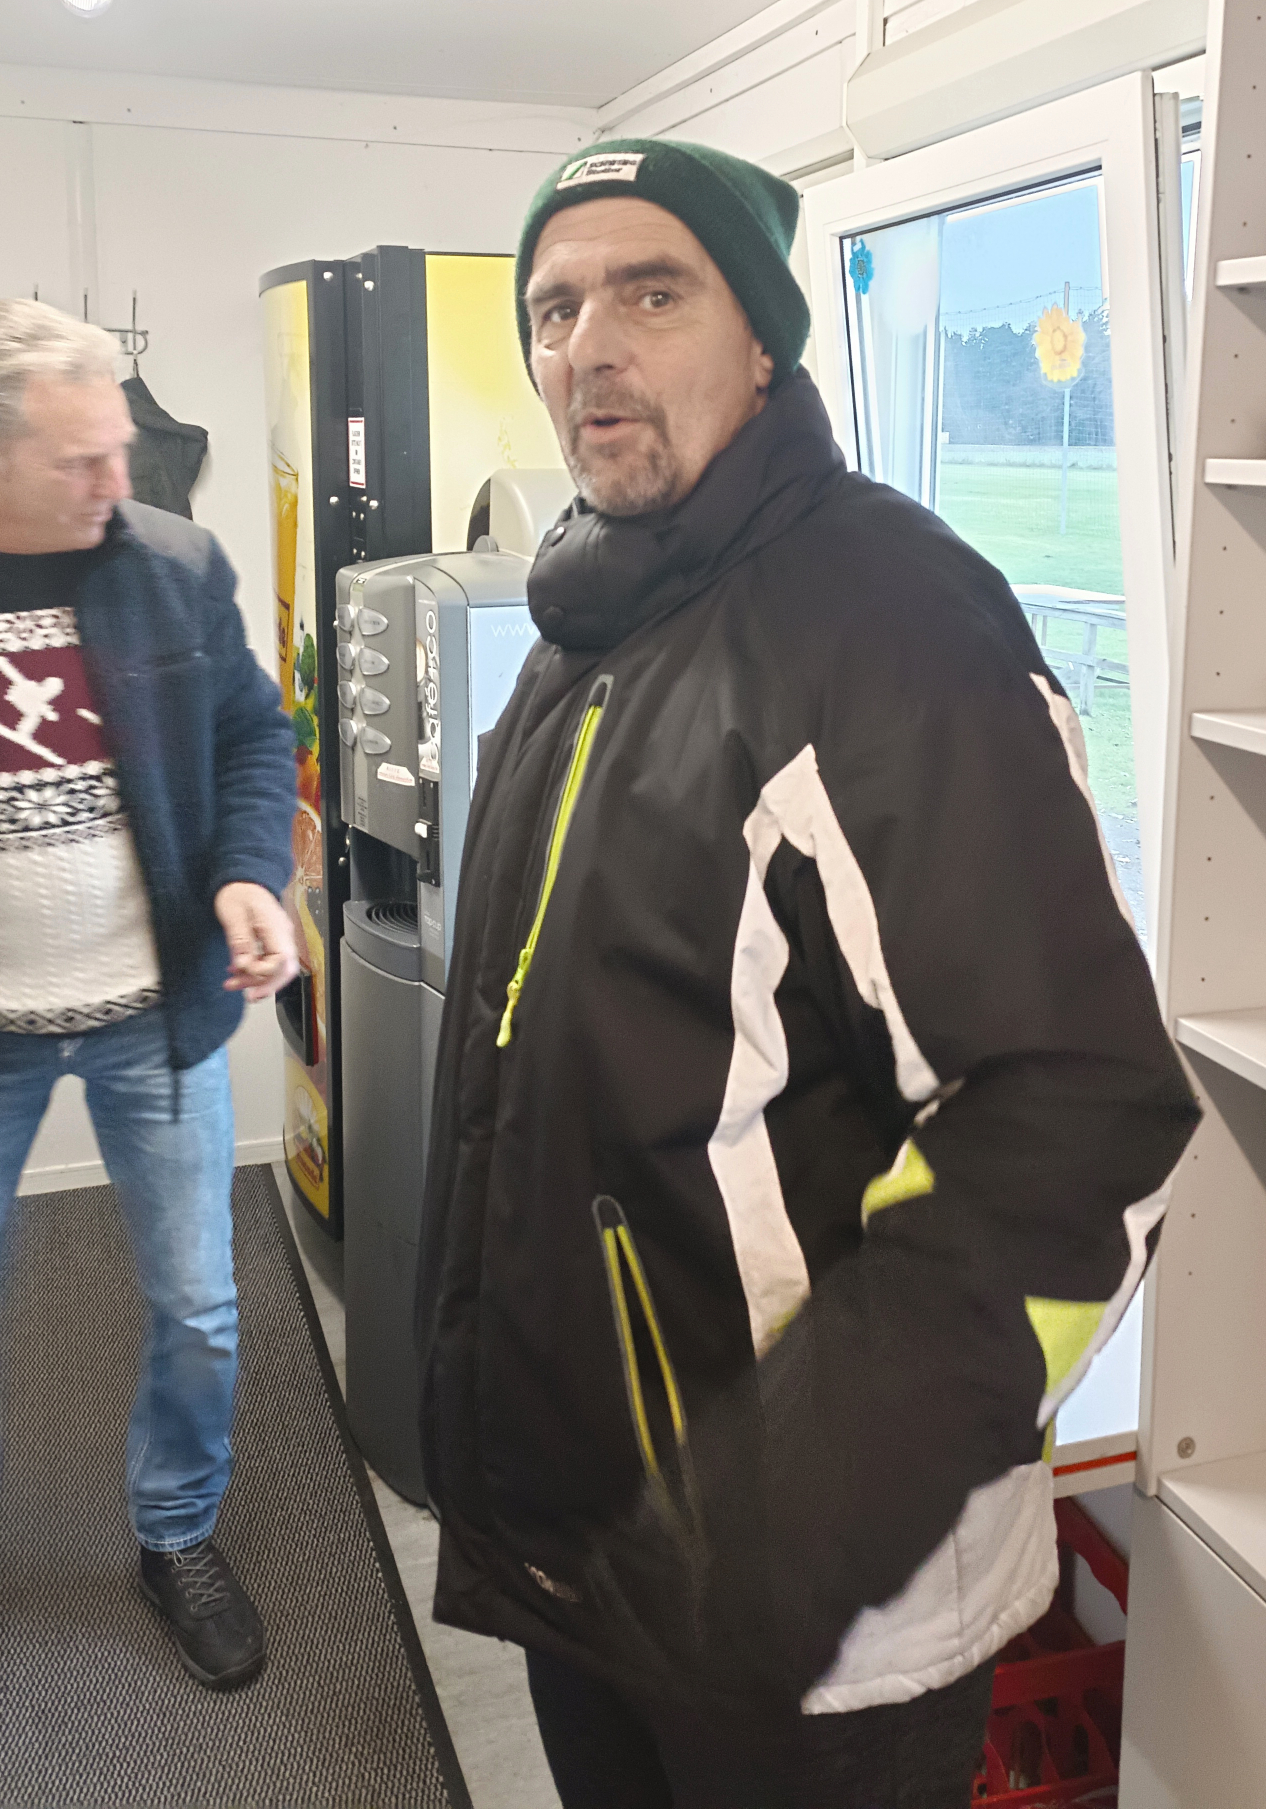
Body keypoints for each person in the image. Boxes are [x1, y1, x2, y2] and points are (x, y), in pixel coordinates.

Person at [416, 139, 1199, 1809]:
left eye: (652, 293)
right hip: (592, 1554)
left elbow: (1085, 1125)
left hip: (811, 1624)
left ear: (764, 340)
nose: (588, 346)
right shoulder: (583, 631)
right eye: (555, 308)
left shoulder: (893, 628)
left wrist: (779, 1519)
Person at [0, 300, 297, 1691]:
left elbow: (254, 737)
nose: (121, 480)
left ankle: (177, 1535)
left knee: (201, 1304)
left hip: (153, 1018)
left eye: (121, 448)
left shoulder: (174, 562)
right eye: (82, 461)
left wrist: (248, 875)